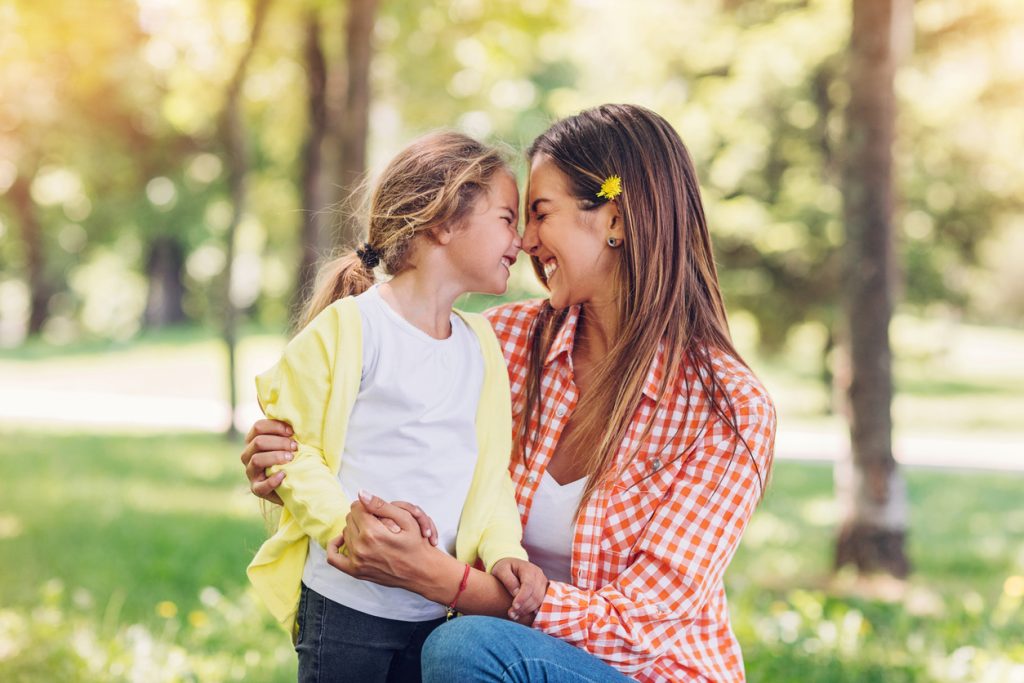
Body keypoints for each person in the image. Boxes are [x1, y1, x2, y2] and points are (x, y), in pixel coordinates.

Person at [243, 104, 777, 682]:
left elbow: (640, 629)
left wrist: (441, 579)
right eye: (515, 219)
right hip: (500, 653)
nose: (524, 241)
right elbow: (386, 440)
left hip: (646, 672)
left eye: (540, 214)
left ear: (615, 220)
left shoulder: (728, 406)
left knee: (461, 647)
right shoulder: (498, 343)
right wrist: (293, 464)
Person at [247, 131, 548, 683]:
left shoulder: (481, 345)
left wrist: (505, 550)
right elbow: (291, 452)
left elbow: (488, 479)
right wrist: (351, 531)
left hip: (433, 615)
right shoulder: (352, 327)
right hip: (345, 607)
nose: (524, 239)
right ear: (444, 221)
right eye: (508, 218)